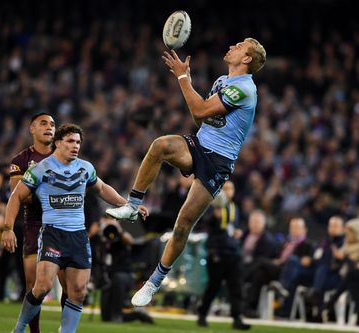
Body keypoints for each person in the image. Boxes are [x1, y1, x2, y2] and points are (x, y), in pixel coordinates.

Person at [105, 38, 266, 307]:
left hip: (219, 161)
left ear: (247, 59)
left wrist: (183, 77)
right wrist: (187, 82)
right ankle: (133, 205)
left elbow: (199, 109)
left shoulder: (245, 89)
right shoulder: (222, 80)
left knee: (182, 225)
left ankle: (153, 282)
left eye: (239, 46)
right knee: (161, 145)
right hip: (200, 144)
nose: (232, 46)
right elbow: (199, 118)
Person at [1, 124, 149, 333]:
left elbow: (102, 189)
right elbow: (16, 196)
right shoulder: (41, 169)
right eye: (70, 141)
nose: (75, 146)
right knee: (42, 287)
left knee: (78, 292)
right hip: (53, 233)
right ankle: (18, 329)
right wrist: (7, 228)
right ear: (58, 142)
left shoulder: (85, 168)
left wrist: (128, 205)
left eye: (78, 142)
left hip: (78, 237)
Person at [7, 112, 58, 332]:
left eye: (53, 124)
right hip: (34, 225)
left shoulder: (64, 155)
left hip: (62, 224)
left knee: (71, 286)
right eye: (44, 123)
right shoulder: (20, 161)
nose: (49, 127)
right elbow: (19, 195)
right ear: (32, 129)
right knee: (34, 285)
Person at [197, 180, 251, 330]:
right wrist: (214, 217)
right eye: (225, 188)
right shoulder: (212, 206)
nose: (228, 192)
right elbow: (204, 223)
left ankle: (237, 318)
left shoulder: (235, 208)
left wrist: (239, 232)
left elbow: (236, 225)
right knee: (213, 286)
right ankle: (202, 314)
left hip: (233, 252)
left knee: (236, 287)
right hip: (217, 252)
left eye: (230, 189)